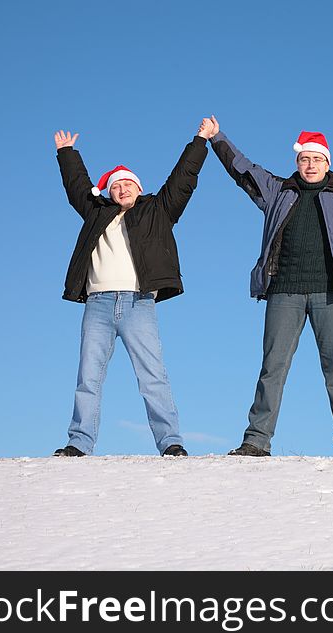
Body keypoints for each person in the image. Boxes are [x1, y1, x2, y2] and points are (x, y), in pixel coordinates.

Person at [204, 113, 333, 457]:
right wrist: (217, 137)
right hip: (284, 292)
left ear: (327, 162)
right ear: (297, 162)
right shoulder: (278, 191)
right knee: (272, 368)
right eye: (304, 159)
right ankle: (256, 440)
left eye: (317, 159)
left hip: (331, 294)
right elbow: (243, 168)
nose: (310, 164)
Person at [51, 118, 214, 457]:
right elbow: (77, 188)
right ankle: (79, 443)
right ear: (108, 192)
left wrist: (199, 141)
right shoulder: (96, 214)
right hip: (97, 304)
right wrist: (67, 153)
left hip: (138, 303)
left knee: (152, 375)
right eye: (116, 186)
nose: (123, 189)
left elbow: (182, 180)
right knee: (88, 376)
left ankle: (170, 442)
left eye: (128, 184)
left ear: (140, 188)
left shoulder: (158, 210)